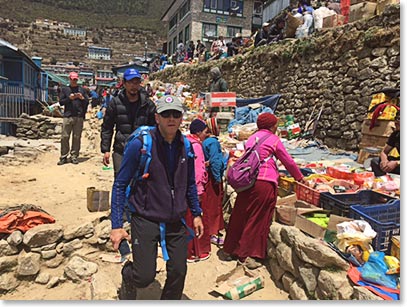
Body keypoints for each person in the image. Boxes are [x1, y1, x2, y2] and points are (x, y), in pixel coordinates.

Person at [109, 95, 204, 300]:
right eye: (166, 114)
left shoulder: (186, 147)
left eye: (176, 114)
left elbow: (189, 183)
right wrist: (116, 225)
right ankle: (128, 275)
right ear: (157, 117)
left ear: (181, 118)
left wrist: (196, 213)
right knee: (144, 277)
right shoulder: (141, 145)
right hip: (145, 217)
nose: (171, 118)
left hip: (174, 218)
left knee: (179, 270)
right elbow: (120, 184)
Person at [223, 113, 304, 269]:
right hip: (264, 182)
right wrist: (299, 178)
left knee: (241, 213)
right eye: (275, 125)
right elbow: (288, 161)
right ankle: (247, 255)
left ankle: (230, 248)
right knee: (257, 218)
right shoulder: (274, 140)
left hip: (247, 181)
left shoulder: (252, 138)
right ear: (272, 126)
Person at [101, 68, 156, 178]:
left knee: (140, 183)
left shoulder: (147, 104)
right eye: (130, 82)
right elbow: (107, 127)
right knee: (120, 181)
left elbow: (154, 127)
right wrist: (105, 150)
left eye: (136, 83)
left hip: (142, 150)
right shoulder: (115, 103)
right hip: (121, 149)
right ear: (124, 84)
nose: (133, 86)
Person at [185, 119, 211, 262]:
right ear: (198, 132)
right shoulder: (196, 146)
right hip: (195, 189)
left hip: (185, 188)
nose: (206, 135)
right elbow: (198, 172)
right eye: (205, 132)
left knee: (187, 220)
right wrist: (199, 191)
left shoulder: (185, 142)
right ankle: (198, 251)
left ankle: (188, 251)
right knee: (197, 219)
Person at [202, 118, 226, 246]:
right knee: (214, 206)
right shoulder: (213, 142)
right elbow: (216, 161)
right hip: (213, 178)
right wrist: (217, 179)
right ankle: (213, 232)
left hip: (208, 176)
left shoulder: (206, 141)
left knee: (208, 204)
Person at [57, 72, 89, 165]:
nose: (74, 81)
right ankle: (63, 156)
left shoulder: (82, 90)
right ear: (69, 79)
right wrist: (69, 99)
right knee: (64, 137)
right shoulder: (65, 90)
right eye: (73, 79)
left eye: (76, 79)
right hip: (68, 115)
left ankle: (74, 156)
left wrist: (82, 98)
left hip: (78, 116)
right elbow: (61, 102)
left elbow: (87, 102)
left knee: (76, 137)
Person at [370, 111, 400, 177]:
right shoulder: (396, 135)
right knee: (375, 161)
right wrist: (384, 161)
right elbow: (384, 152)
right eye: (396, 119)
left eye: (399, 119)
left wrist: (396, 163)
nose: (396, 122)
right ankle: (384, 182)